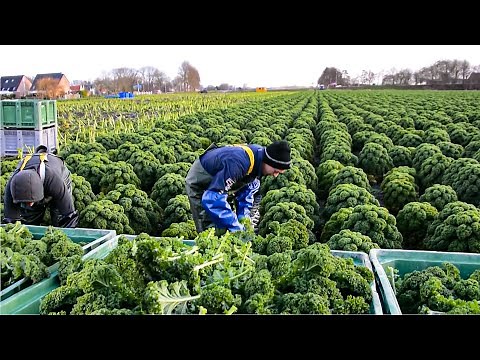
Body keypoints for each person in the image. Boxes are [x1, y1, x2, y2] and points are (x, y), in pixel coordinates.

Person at [185, 140, 291, 233]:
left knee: (228, 222)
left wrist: (243, 219)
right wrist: (234, 225)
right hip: (201, 181)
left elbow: (247, 192)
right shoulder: (239, 163)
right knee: (211, 228)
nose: (275, 175)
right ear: (268, 162)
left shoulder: (259, 161)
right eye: (276, 171)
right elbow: (212, 199)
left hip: (222, 180)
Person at [3, 145, 79, 228]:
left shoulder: (54, 181)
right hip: (34, 181)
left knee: (58, 215)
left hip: (58, 173)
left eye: (30, 202)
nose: (30, 204)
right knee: (30, 216)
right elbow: (10, 219)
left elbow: (69, 214)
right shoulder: (12, 186)